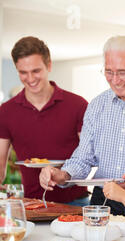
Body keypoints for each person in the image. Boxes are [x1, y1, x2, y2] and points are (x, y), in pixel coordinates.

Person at [39, 35, 125, 217]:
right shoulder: (97, 105)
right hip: (102, 200)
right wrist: (63, 175)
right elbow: (83, 158)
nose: (115, 80)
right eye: (109, 72)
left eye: (122, 72)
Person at [0, 36, 89, 205]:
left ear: (49, 65)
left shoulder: (78, 105)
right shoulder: (6, 111)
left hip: (76, 203)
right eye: (23, 72)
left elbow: (88, 156)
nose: (30, 78)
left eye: (36, 71)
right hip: (31, 204)